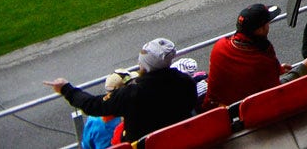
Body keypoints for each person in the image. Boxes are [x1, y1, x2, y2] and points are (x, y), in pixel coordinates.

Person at [50, 41, 200, 144]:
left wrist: (66, 89)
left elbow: (93, 105)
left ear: (144, 65)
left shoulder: (132, 94)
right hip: (182, 141)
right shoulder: (186, 82)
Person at [204, 5, 307, 107]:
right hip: (242, 114)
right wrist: (303, 67)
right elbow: (277, 90)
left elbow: (240, 77)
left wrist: (274, 71)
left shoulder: (219, 45)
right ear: (261, 29)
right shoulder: (260, 61)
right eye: (268, 23)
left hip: (216, 110)